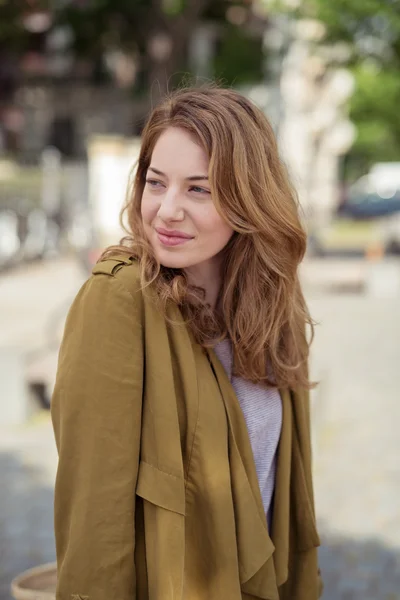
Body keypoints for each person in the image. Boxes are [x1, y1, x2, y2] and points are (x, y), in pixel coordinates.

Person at [51, 85, 323, 600]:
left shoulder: (273, 308)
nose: (167, 211)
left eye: (198, 189)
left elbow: (289, 496)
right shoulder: (120, 301)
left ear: (249, 197)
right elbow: (93, 514)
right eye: (156, 183)